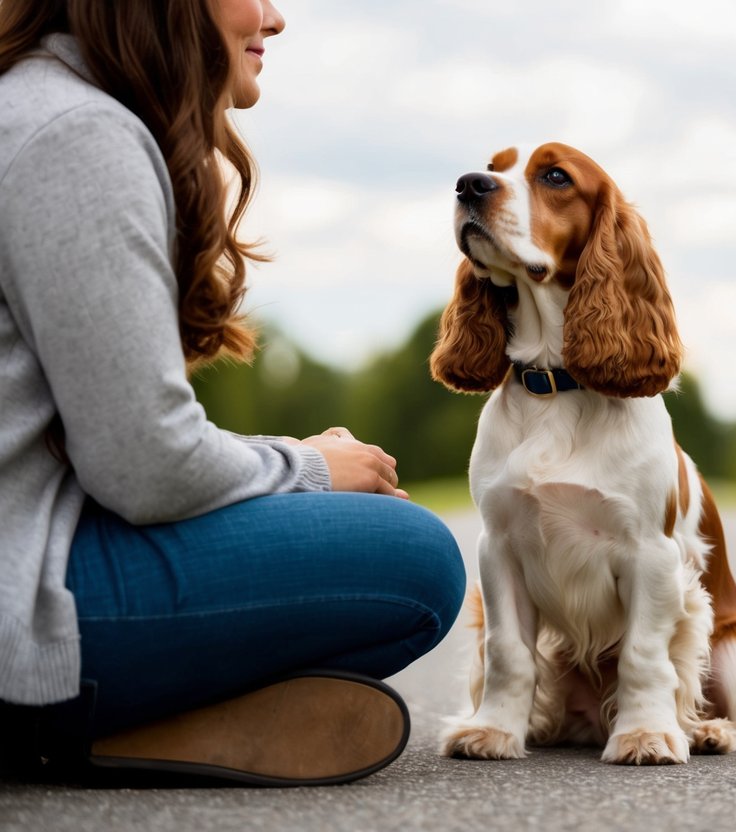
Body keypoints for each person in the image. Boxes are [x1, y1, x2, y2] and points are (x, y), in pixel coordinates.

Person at [0, 0, 467, 786]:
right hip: (22, 605)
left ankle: (136, 725)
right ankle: (59, 729)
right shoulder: (74, 132)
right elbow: (144, 465)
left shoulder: (39, 106)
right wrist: (308, 467)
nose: (274, 18)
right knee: (414, 558)